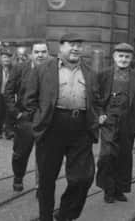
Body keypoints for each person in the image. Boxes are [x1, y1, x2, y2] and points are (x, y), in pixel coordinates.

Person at [25, 33, 102, 221]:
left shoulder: (90, 73)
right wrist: (38, 121)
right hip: (51, 127)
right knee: (47, 179)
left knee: (83, 178)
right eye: (71, 45)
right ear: (60, 48)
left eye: (79, 45)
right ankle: (45, 217)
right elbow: (29, 100)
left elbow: (96, 100)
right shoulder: (43, 69)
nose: (76, 48)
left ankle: (66, 215)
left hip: (81, 129)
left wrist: (97, 115)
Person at [96, 43, 135, 203]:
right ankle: (108, 188)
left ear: (131, 58)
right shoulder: (104, 74)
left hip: (128, 122)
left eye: (127, 57)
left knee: (124, 157)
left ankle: (119, 189)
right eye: (120, 56)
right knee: (107, 155)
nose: (123, 59)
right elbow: (95, 96)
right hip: (109, 121)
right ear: (114, 57)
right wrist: (100, 114)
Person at [4, 41, 49, 191]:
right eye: (37, 52)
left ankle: (41, 184)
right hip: (25, 119)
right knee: (20, 153)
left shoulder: (53, 70)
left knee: (44, 155)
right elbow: (8, 92)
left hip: (45, 119)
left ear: (48, 53)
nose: (40, 55)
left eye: (43, 52)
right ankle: (18, 177)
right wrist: (16, 114)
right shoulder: (19, 69)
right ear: (31, 54)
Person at [0, 49, 14, 139]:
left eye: (9, 57)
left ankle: (8, 132)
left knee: (9, 113)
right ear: (1, 58)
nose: (7, 59)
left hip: (9, 96)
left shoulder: (14, 69)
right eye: (5, 57)